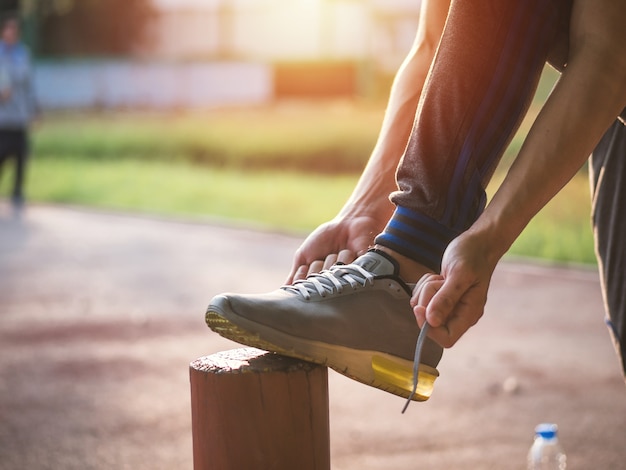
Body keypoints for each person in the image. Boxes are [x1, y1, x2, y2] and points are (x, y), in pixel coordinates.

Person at [206, 0, 626, 404]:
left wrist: (487, 236)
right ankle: (399, 262)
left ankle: (401, 267)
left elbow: (609, 52)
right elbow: (435, 44)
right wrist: (364, 207)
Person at [0, 16, 37, 210]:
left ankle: (17, 192)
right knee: (2, 154)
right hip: (2, 118)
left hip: (20, 115)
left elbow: (30, 85)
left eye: (14, 31)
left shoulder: (23, 54)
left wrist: (34, 109)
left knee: (22, 155)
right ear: (3, 32)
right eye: (8, 30)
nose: (10, 33)